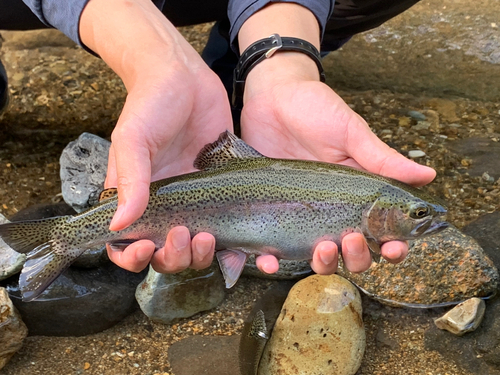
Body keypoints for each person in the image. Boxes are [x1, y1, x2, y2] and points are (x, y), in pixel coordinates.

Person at [0, 0, 436, 277]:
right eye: (417, 213)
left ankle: (241, 67)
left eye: (419, 214)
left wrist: (281, 65)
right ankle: (63, 236)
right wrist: (157, 61)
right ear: (384, 213)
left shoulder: (367, 197)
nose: (425, 217)